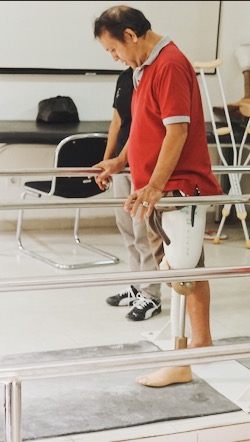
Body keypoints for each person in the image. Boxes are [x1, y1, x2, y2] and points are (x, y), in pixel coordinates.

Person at [92, 5, 223, 388]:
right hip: (157, 190)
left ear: (130, 35)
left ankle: (187, 356)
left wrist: (153, 185)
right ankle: (199, 344)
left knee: (183, 272)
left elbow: (177, 132)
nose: (114, 57)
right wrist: (119, 161)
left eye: (113, 49)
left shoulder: (168, 65)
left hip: (178, 188)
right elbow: (145, 128)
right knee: (182, 269)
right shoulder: (142, 70)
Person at [101, 65, 162, 321]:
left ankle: (151, 294)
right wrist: (108, 161)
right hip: (123, 165)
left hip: (143, 163)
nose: (113, 55)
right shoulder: (126, 78)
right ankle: (137, 285)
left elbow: (144, 126)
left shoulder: (152, 77)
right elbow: (118, 120)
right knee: (126, 226)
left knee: (142, 232)